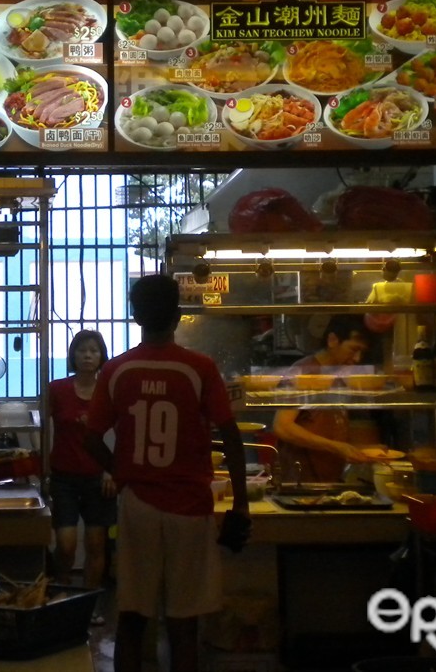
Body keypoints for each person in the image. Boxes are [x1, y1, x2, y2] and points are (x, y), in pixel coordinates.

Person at [84, 274, 250, 672]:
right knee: (183, 621)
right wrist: (240, 504)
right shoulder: (200, 368)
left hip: (137, 504)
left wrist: (121, 471)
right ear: (177, 316)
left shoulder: (118, 370)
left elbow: (91, 439)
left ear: (134, 315)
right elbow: (230, 438)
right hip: (190, 508)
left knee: (133, 615)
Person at [47, 330, 115, 614]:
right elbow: (40, 429)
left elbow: (123, 432)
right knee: (66, 544)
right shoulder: (57, 390)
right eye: (82, 350)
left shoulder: (110, 391)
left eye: (94, 351)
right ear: (72, 355)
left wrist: (114, 472)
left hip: (99, 478)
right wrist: (42, 469)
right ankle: (63, 596)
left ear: (102, 357)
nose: (88, 355)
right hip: (63, 477)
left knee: (97, 543)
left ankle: (88, 605)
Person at [273, 314, 381, 482]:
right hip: (302, 481)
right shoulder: (304, 371)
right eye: (353, 349)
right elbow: (282, 427)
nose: (357, 359)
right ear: (332, 340)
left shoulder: (339, 373)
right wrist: (337, 448)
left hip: (330, 478)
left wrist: (362, 449)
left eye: (362, 352)